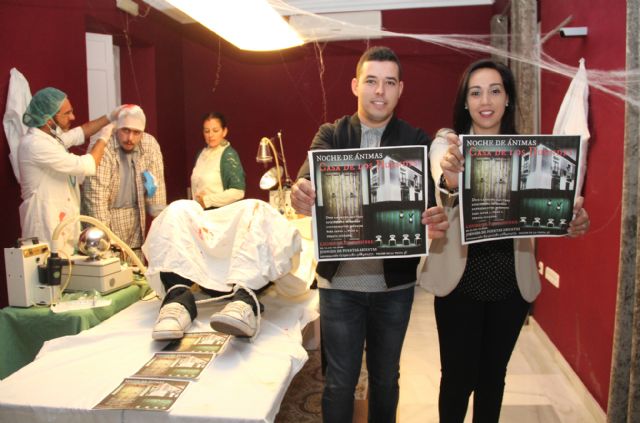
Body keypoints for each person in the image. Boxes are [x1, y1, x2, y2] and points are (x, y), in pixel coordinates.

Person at [423, 59, 591, 423]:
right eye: (476, 92)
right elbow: (441, 168)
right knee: (456, 379)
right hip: (459, 284)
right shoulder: (448, 142)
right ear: (465, 102)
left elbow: (550, 210)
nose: (486, 100)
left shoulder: (531, 153)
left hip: (511, 283)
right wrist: (449, 177)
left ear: (508, 99)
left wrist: (571, 219)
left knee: (492, 378)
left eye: (495, 90)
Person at [291, 46, 449, 423]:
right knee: (339, 383)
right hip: (340, 287)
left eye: (389, 83)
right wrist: (301, 189)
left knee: (385, 380)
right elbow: (308, 176)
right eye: (371, 81)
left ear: (400, 89)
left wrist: (438, 215)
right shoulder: (331, 134)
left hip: (393, 288)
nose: (380, 91)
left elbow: (436, 198)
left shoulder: (416, 141)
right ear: (355, 86)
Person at [144, 199, 306, 340]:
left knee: (256, 208)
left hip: (245, 277)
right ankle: (177, 299)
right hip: (201, 268)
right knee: (177, 207)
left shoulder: (252, 211)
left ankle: (245, 301)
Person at [18, 87, 122, 254]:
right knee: (49, 278)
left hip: (64, 227)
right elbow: (88, 165)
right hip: (45, 230)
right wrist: (104, 137)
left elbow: (81, 132)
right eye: (67, 113)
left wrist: (110, 116)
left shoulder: (51, 139)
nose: (72, 117)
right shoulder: (35, 145)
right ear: (48, 120)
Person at [82, 105, 166, 261]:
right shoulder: (103, 147)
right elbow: (96, 199)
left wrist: (161, 225)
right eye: (125, 130)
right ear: (116, 128)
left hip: (135, 218)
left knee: (136, 271)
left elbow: (157, 193)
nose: (130, 138)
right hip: (107, 217)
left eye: (136, 132)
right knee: (109, 270)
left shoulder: (150, 145)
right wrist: (105, 240)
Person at [191, 112, 245, 209]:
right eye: (207, 131)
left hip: (219, 216)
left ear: (224, 131)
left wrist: (208, 200)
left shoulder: (228, 155)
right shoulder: (201, 154)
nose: (210, 135)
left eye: (215, 131)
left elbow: (238, 191)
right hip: (199, 215)